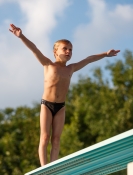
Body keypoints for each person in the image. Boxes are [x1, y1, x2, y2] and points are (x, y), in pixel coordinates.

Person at [9, 23, 120, 166]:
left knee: (56, 139)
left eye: (71, 50)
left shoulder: (71, 68)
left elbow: (88, 59)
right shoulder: (48, 64)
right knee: (45, 137)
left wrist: (105, 54)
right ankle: (44, 166)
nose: (68, 51)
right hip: (46, 105)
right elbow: (34, 49)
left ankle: (53, 166)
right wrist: (21, 36)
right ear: (55, 51)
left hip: (61, 107)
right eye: (65, 49)